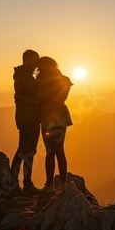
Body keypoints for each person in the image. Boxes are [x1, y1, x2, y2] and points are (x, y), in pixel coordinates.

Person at [35, 56, 73, 193]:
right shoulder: (64, 80)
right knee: (60, 150)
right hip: (61, 117)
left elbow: (39, 97)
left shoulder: (40, 81)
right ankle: (63, 183)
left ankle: (49, 185)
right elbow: (62, 96)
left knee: (50, 151)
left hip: (47, 117)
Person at [10, 49, 41, 194]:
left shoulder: (23, 75)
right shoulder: (25, 77)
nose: (36, 65)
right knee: (25, 151)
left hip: (29, 118)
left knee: (27, 151)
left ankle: (24, 183)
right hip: (29, 118)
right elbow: (37, 98)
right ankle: (17, 184)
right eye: (35, 61)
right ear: (27, 60)